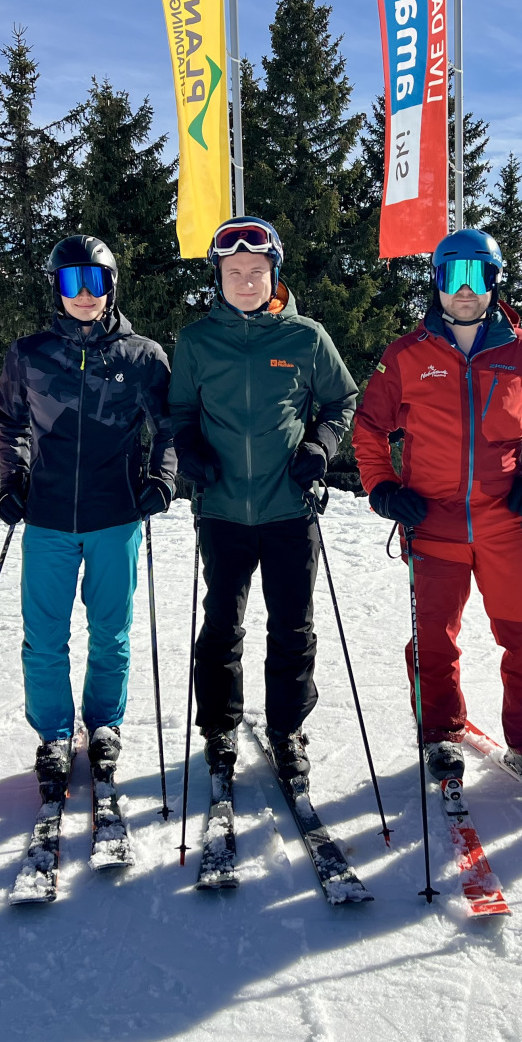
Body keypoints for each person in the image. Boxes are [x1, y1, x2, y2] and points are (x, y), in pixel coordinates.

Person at [352, 228, 522, 796]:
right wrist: (383, 487)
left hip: (504, 521)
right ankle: (440, 732)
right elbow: (370, 427)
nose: (466, 290)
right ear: (438, 283)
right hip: (433, 522)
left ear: (495, 281)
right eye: (454, 276)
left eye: (478, 275)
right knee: (433, 638)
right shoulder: (407, 354)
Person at [169, 217, 358, 784]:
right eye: (234, 272)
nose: (246, 281)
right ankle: (219, 727)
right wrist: (188, 450)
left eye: (256, 270)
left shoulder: (306, 337)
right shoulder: (197, 341)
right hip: (222, 508)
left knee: (292, 626)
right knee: (221, 624)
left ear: (274, 273)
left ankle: (287, 728)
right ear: (218, 277)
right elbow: (180, 411)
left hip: (290, 508)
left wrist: (321, 447)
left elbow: (342, 400)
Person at [0, 235, 175, 804]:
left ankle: (103, 726)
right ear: (57, 288)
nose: (85, 294)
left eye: (95, 281)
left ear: (111, 286)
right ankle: (53, 733)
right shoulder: (29, 354)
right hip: (47, 516)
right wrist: (12, 481)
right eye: (73, 282)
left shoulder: (141, 356)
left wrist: (162, 479)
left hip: (115, 515)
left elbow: (169, 426)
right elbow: (10, 423)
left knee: (110, 632)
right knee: (44, 635)